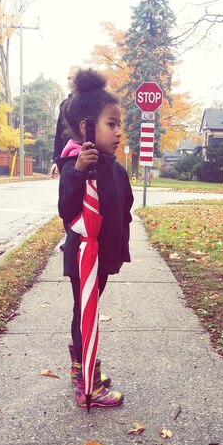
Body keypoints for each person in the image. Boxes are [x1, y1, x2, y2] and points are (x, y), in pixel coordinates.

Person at [57, 68, 133, 409]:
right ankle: (86, 382)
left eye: (119, 125)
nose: (118, 132)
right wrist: (76, 174)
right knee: (84, 311)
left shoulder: (114, 166)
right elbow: (66, 210)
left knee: (88, 308)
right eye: (111, 124)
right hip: (84, 254)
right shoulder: (78, 163)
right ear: (88, 126)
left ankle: (86, 371)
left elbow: (123, 208)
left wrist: (120, 245)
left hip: (104, 254)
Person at [50, 67, 76, 178]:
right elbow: (59, 134)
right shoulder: (64, 104)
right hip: (67, 157)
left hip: (86, 155)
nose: (69, 81)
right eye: (68, 78)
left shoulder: (92, 101)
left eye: (72, 78)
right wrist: (56, 160)